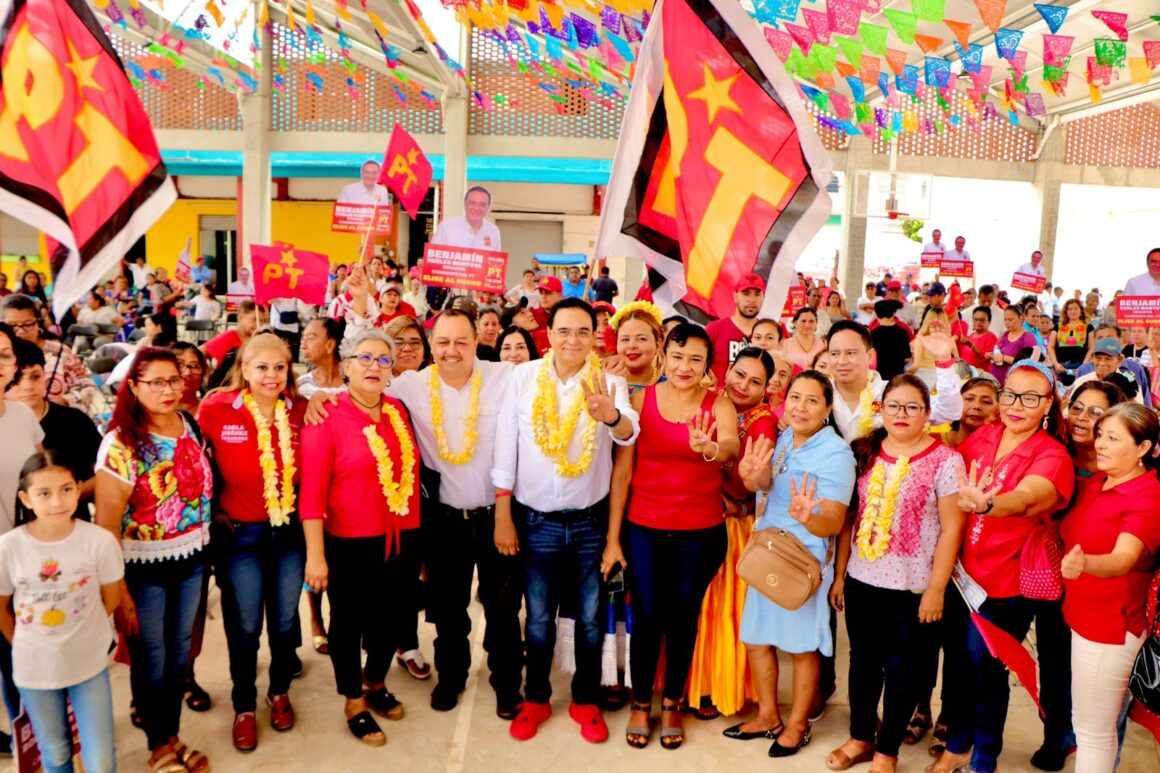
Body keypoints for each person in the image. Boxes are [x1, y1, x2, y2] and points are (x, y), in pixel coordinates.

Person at [492, 298, 638, 743]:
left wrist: (609, 415)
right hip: (535, 522)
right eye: (564, 331)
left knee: (591, 618)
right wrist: (503, 510)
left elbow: (629, 430)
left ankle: (585, 700)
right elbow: (505, 443)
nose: (573, 340)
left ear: (595, 337)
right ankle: (535, 697)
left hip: (591, 523)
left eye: (583, 332)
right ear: (548, 335)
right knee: (536, 618)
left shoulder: (608, 378)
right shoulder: (522, 377)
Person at [931, 361, 1075, 773]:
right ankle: (957, 743)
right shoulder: (983, 438)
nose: (1016, 405)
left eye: (1030, 398)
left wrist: (990, 503)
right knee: (957, 665)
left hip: (1005, 587)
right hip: (962, 578)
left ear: (1048, 404)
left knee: (987, 669)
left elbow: (1031, 496)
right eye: (1011, 394)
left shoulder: (1051, 454)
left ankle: (985, 755)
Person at [380, 310, 520, 710]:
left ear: (476, 343)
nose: (451, 351)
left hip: (498, 516)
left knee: (504, 606)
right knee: (448, 610)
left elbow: (560, 372)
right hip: (442, 522)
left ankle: (507, 682)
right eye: (442, 342)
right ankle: (451, 677)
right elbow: (357, 385)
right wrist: (320, 396)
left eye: (461, 341)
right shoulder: (410, 386)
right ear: (430, 346)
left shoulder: (505, 378)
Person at [606, 324, 738, 749]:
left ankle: (674, 702)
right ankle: (641, 702)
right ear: (665, 355)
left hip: (700, 534)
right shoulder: (640, 400)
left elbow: (732, 447)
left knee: (684, 618)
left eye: (696, 360)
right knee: (647, 616)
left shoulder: (719, 405)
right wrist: (613, 539)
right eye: (679, 357)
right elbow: (622, 473)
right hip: (643, 529)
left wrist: (709, 447)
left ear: (706, 365)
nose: (685, 367)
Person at [826, 375, 965, 773]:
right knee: (862, 664)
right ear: (880, 409)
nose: (901, 415)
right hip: (862, 580)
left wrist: (936, 589)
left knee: (905, 670)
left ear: (927, 415)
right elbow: (849, 520)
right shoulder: (864, 451)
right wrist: (839, 577)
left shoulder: (945, 460)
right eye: (894, 406)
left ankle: (887, 751)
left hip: (915, 586)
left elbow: (952, 528)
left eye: (912, 407)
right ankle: (860, 737)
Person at [94, 347, 214, 773]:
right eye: (157, 382)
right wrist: (118, 589)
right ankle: (157, 745)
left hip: (192, 558)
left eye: (175, 380)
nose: (169, 389)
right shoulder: (122, 443)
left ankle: (173, 734)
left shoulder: (190, 425)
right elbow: (107, 525)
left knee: (180, 653)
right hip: (143, 568)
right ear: (134, 388)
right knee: (153, 655)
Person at [299, 330, 420, 747]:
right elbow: (311, 494)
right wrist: (316, 556)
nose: (374, 366)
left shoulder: (399, 412)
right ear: (345, 365)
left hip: (401, 537)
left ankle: (375, 681)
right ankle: (353, 700)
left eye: (384, 360)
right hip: (348, 541)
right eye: (364, 358)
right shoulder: (326, 415)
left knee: (392, 618)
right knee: (347, 624)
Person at [730, 371, 855, 757]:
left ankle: (798, 725)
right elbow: (766, 484)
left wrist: (807, 518)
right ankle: (769, 715)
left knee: (802, 648)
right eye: (795, 397)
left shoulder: (836, 454)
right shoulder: (785, 438)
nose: (800, 407)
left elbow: (834, 522)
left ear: (828, 408)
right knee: (755, 637)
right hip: (766, 551)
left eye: (812, 400)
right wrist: (752, 478)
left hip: (802, 563)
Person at [197, 334, 306, 751]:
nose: (271, 375)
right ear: (243, 368)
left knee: (282, 622)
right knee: (244, 627)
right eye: (261, 367)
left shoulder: (300, 407)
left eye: (280, 367)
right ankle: (244, 704)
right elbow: (199, 463)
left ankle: (278, 692)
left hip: (290, 534)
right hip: (240, 536)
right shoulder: (216, 408)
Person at [0, 453, 122, 773]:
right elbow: (1, 609)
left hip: (88, 663)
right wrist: (31, 642)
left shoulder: (98, 541)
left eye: (67, 489)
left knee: (101, 759)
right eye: (44, 493)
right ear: (25, 498)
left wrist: (80, 632)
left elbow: (110, 599)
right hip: (34, 667)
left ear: (79, 489)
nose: (57, 501)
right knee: (54, 752)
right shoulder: (8, 547)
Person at [1059, 403, 1160, 773]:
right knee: (1087, 726)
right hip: (1084, 618)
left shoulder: (1147, 496)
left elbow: (1123, 558)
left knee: (1093, 733)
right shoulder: (1099, 481)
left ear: (1144, 448)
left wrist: (1086, 563)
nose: (1099, 443)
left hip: (1109, 629)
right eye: (1100, 434)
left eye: (1113, 438)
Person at [687, 347, 775, 721]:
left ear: (767, 388)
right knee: (694, 603)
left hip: (733, 525)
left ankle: (716, 688)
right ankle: (691, 683)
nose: (744, 385)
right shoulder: (712, 403)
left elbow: (756, 484)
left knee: (721, 609)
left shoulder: (763, 422)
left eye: (755, 381)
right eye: (739, 374)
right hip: (695, 513)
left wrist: (739, 503)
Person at [829, 319, 962, 442]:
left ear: (870, 356)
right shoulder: (819, 395)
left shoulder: (895, 392)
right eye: (835, 354)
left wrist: (944, 359)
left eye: (851, 353)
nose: (841, 361)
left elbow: (947, 412)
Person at [6, 340, 101, 511]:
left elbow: (104, 474)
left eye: (36, 376)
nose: (28, 386)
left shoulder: (75, 421)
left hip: (71, 520)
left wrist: (68, 496)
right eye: (17, 379)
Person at [2, 294, 101, 416]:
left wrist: (65, 401)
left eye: (28, 324)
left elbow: (87, 386)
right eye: (11, 326)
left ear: (38, 323)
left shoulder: (59, 352)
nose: (20, 330)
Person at [706, 273, 765, 383]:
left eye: (757, 294)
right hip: (718, 397)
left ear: (763, 297)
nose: (752, 300)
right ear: (735, 296)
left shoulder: (770, 332)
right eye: (746, 293)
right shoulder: (714, 329)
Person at [610, 301, 665, 395]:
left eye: (641, 339)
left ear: (658, 344)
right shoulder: (604, 383)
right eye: (625, 339)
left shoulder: (670, 387)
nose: (632, 345)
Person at [1071, 339, 1146, 405]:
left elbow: (1137, 412)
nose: (1102, 363)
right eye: (1098, 358)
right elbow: (1068, 410)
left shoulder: (1129, 382)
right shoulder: (1081, 381)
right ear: (1092, 358)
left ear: (1120, 360)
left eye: (1108, 359)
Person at [431, 186, 502, 251]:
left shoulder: (493, 231)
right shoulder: (447, 227)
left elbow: (494, 262)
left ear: (489, 207)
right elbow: (432, 259)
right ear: (465, 203)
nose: (476, 208)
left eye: (482, 204)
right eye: (472, 203)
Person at [203, 298, 261, 368]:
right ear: (240, 318)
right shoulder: (229, 337)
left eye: (264, 320)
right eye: (255, 319)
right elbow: (199, 353)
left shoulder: (263, 338)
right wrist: (207, 374)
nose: (260, 324)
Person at [989, 305, 1040, 384]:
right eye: (1005, 319)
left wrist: (1003, 358)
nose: (1007, 322)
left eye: (1010, 319)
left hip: (1013, 381)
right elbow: (997, 350)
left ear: (1021, 318)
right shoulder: (1005, 334)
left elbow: (1028, 362)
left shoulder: (1028, 337)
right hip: (995, 378)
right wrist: (991, 355)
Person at [945, 376, 1000, 448]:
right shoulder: (932, 440)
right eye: (969, 399)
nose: (976, 406)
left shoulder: (999, 450)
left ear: (998, 410)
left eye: (986, 402)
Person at [297, 318, 346, 400]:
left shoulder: (354, 383)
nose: (303, 346)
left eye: (310, 338)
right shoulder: (301, 385)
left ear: (330, 345)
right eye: (303, 339)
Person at [869, 301, 911, 380]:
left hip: (878, 377)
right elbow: (907, 358)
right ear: (894, 313)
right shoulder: (902, 333)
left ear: (876, 313)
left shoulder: (872, 334)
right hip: (897, 376)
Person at [957, 306, 998, 373]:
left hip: (980, 377)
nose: (978, 322)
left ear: (989, 322)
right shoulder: (970, 336)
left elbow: (985, 358)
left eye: (982, 320)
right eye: (975, 320)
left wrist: (970, 344)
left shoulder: (991, 337)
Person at [785, 307, 825, 372]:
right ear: (795, 323)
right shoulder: (786, 344)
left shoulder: (823, 344)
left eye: (811, 321)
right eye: (803, 321)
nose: (807, 324)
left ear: (816, 323)